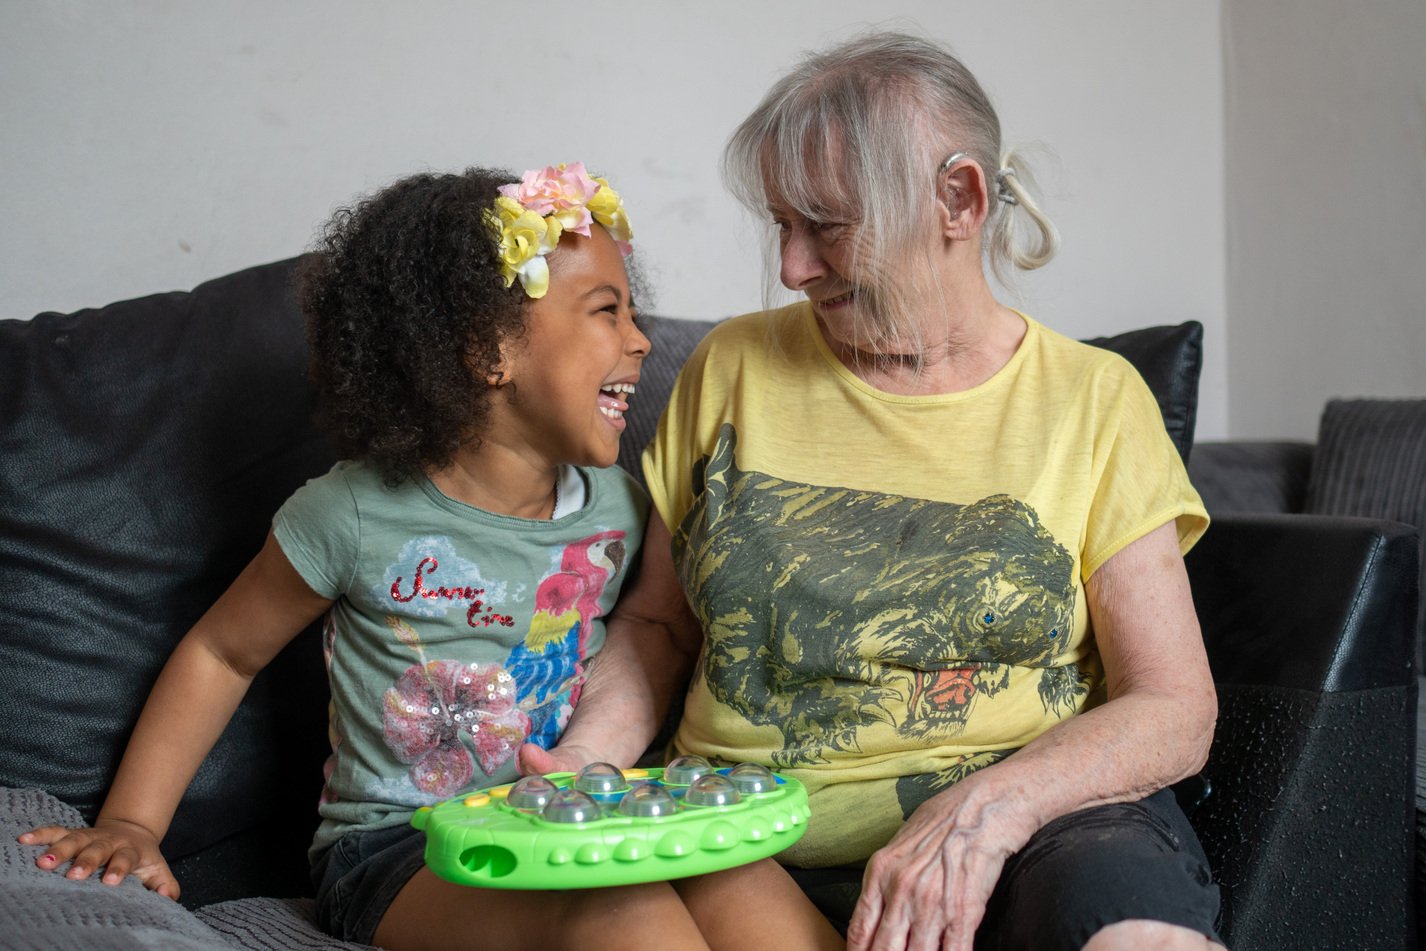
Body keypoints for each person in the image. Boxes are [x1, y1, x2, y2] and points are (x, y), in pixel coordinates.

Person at [19, 164, 844, 951]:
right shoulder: (350, 513)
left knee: (755, 894)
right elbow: (221, 652)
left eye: (633, 312)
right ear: (491, 353)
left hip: (578, 817)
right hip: (398, 852)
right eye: (606, 311)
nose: (639, 341)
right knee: (623, 914)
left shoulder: (621, 510)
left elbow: (660, 639)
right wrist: (132, 822)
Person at [521, 33, 1224, 951]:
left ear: (958, 200)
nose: (792, 266)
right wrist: (585, 762)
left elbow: (1172, 703)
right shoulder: (729, 366)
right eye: (782, 223)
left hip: (1033, 821)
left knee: (1131, 937)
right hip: (740, 834)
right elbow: (658, 625)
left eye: (829, 224)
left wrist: (986, 809)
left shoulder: (1094, 400)